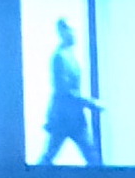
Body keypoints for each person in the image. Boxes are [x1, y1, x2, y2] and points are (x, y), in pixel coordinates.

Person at [39, 19, 104, 165]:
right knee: (50, 156)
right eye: (70, 30)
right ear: (62, 33)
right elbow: (64, 91)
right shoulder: (60, 57)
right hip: (63, 117)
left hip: (74, 116)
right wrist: (91, 103)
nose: (73, 34)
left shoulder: (69, 57)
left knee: (92, 156)